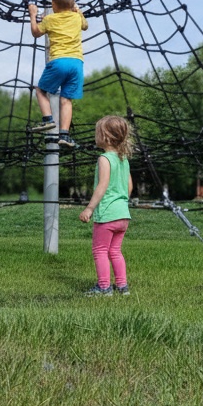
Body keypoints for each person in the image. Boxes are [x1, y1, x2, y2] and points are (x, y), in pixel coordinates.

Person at [27, 0, 88, 148]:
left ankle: (48, 120)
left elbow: (36, 32)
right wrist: (78, 10)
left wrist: (33, 15)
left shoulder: (49, 19)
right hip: (77, 63)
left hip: (58, 62)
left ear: (53, 4)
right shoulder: (76, 18)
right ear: (72, 4)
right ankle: (65, 135)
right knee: (66, 99)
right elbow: (85, 25)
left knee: (40, 90)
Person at [79, 115, 133, 296]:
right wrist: (121, 203)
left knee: (100, 250)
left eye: (97, 133)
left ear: (106, 137)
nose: (95, 136)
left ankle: (103, 287)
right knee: (115, 251)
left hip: (108, 214)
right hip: (123, 214)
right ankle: (122, 287)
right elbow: (129, 186)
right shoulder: (123, 159)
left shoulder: (104, 159)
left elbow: (102, 186)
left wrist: (89, 208)